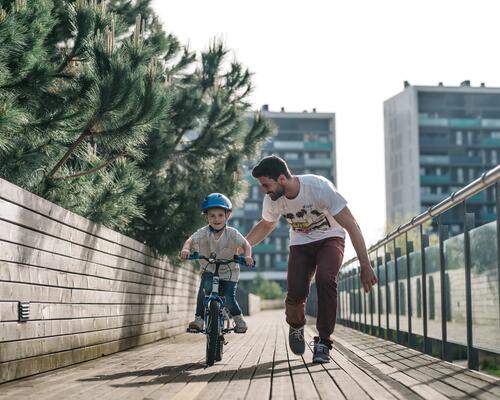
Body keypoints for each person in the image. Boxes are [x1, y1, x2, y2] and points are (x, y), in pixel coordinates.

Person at [245, 155, 377, 363]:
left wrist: (365, 265)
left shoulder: (318, 187)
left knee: (326, 278)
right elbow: (266, 225)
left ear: (281, 179)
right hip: (300, 243)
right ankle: (296, 326)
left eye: (266, 185)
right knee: (296, 292)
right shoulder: (273, 199)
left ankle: (323, 341)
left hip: (330, 237)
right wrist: (243, 247)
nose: (264, 190)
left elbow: (352, 225)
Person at [180, 193, 254, 333]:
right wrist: (185, 248)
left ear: (227, 216)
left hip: (229, 271)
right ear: (206, 217)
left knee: (228, 297)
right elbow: (190, 240)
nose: (216, 219)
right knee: (204, 291)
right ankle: (199, 320)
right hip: (209, 268)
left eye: (220, 215)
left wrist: (248, 256)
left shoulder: (232, 233)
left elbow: (246, 244)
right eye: (212, 216)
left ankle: (238, 319)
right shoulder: (204, 232)